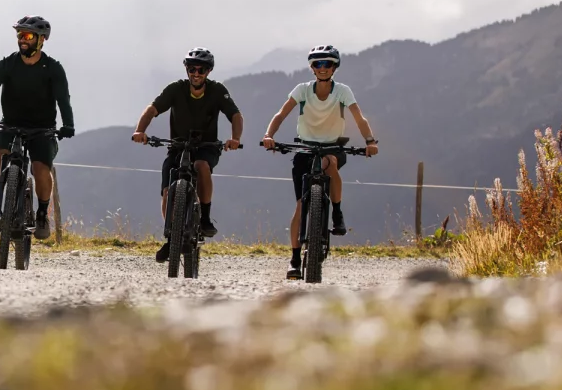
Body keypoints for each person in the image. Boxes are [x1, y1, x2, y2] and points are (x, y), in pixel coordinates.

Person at [262, 44, 379, 279]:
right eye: (318, 64)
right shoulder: (303, 90)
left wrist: (370, 141)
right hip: (305, 148)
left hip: (333, 146)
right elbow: (281, 114)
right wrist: (269, 135)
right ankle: (294, 259)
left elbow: (359, 117)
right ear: (312, 67)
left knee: (330, 162)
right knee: (300, 206)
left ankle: (336, 212)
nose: (323, 68)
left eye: (327, 64)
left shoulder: (343, 91)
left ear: (335, 67)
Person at [0, 16, 75, 240]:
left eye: (28, 36)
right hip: (10, 125)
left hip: (43, 129)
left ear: (41, 40)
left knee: (41, 169)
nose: (22, 40)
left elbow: (63, 100)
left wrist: (68, 125)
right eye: (19, 35)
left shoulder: (53, 68)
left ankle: (42, 215)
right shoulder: (7, 64)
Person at [131, 47, 243, 262]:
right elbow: (152, 109)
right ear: (187, 70)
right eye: (192, 69)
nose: (196, 73)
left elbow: (235, 115)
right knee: (167, 190)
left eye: (201, 69)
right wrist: (140, 131)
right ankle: (171, 236)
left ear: (208, 71)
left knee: (201, 166)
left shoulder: (217, 90)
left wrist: (235, 138)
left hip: (207, 146)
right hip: (178, 146)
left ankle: (206, 218)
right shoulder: (176, 89)